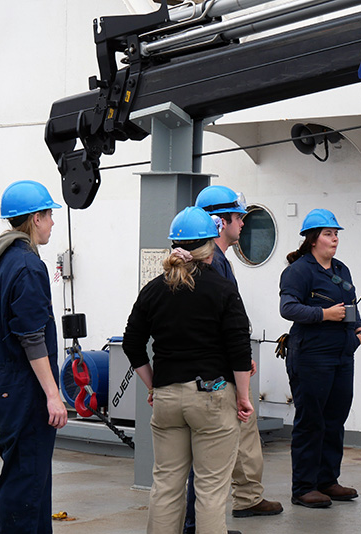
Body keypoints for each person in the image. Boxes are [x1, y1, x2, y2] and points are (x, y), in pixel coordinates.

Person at [122, 206, 254, 534]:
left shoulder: (153, 290)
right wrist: (243, 397)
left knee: (166, 486)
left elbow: (132, 344)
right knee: (210, 491)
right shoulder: (222, 288)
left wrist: (154, 386)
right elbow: (239, 348)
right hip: (211, 396)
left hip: (167, 399)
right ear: (211, 245)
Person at [179, 185, 282, 532]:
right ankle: (201, 525)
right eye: (238, 217)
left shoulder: (216, 263)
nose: (242, 224)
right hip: (214, 378)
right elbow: (221, 324)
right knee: (209, 459)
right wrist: (237, 369)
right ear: (219, 222)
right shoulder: (214, 267)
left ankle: (206, 520)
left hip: (203, 373)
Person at [0, 180, 68, 534]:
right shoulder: (28, 267)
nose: (52, 223)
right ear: (35, 218)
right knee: (25, 488)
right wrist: (53, 394)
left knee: (31, 482)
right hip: (24, 392)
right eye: (49, 216)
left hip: (2, 388)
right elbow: (31, 337)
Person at [279, 208, 361, 508]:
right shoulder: (299, 271)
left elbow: (351, 304)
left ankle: (327, 481)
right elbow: (288, 308)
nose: (335, 239)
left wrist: (359, 331)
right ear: (313, 238)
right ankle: (303, 487)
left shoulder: (341, 270)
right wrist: (323, 314)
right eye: (329, 234)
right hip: (311, 357)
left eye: (336, 234)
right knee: (311, 421)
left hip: (342, 355)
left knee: (335, 418)